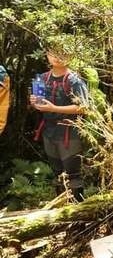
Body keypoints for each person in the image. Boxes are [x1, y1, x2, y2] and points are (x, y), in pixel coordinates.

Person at [29, 45, 90, 202]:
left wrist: (54, 108)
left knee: (73, 174)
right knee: (57, 173)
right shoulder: (42, 78)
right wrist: (34, 102)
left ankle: (79, 214)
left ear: (70, 56)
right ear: (47, 55)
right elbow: (37, 105)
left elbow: (84, 107)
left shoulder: (74, 80)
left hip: (69, 131)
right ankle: (61, 211)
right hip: (49, 130)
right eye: (53, 53)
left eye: (62, 52)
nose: (57, 56)